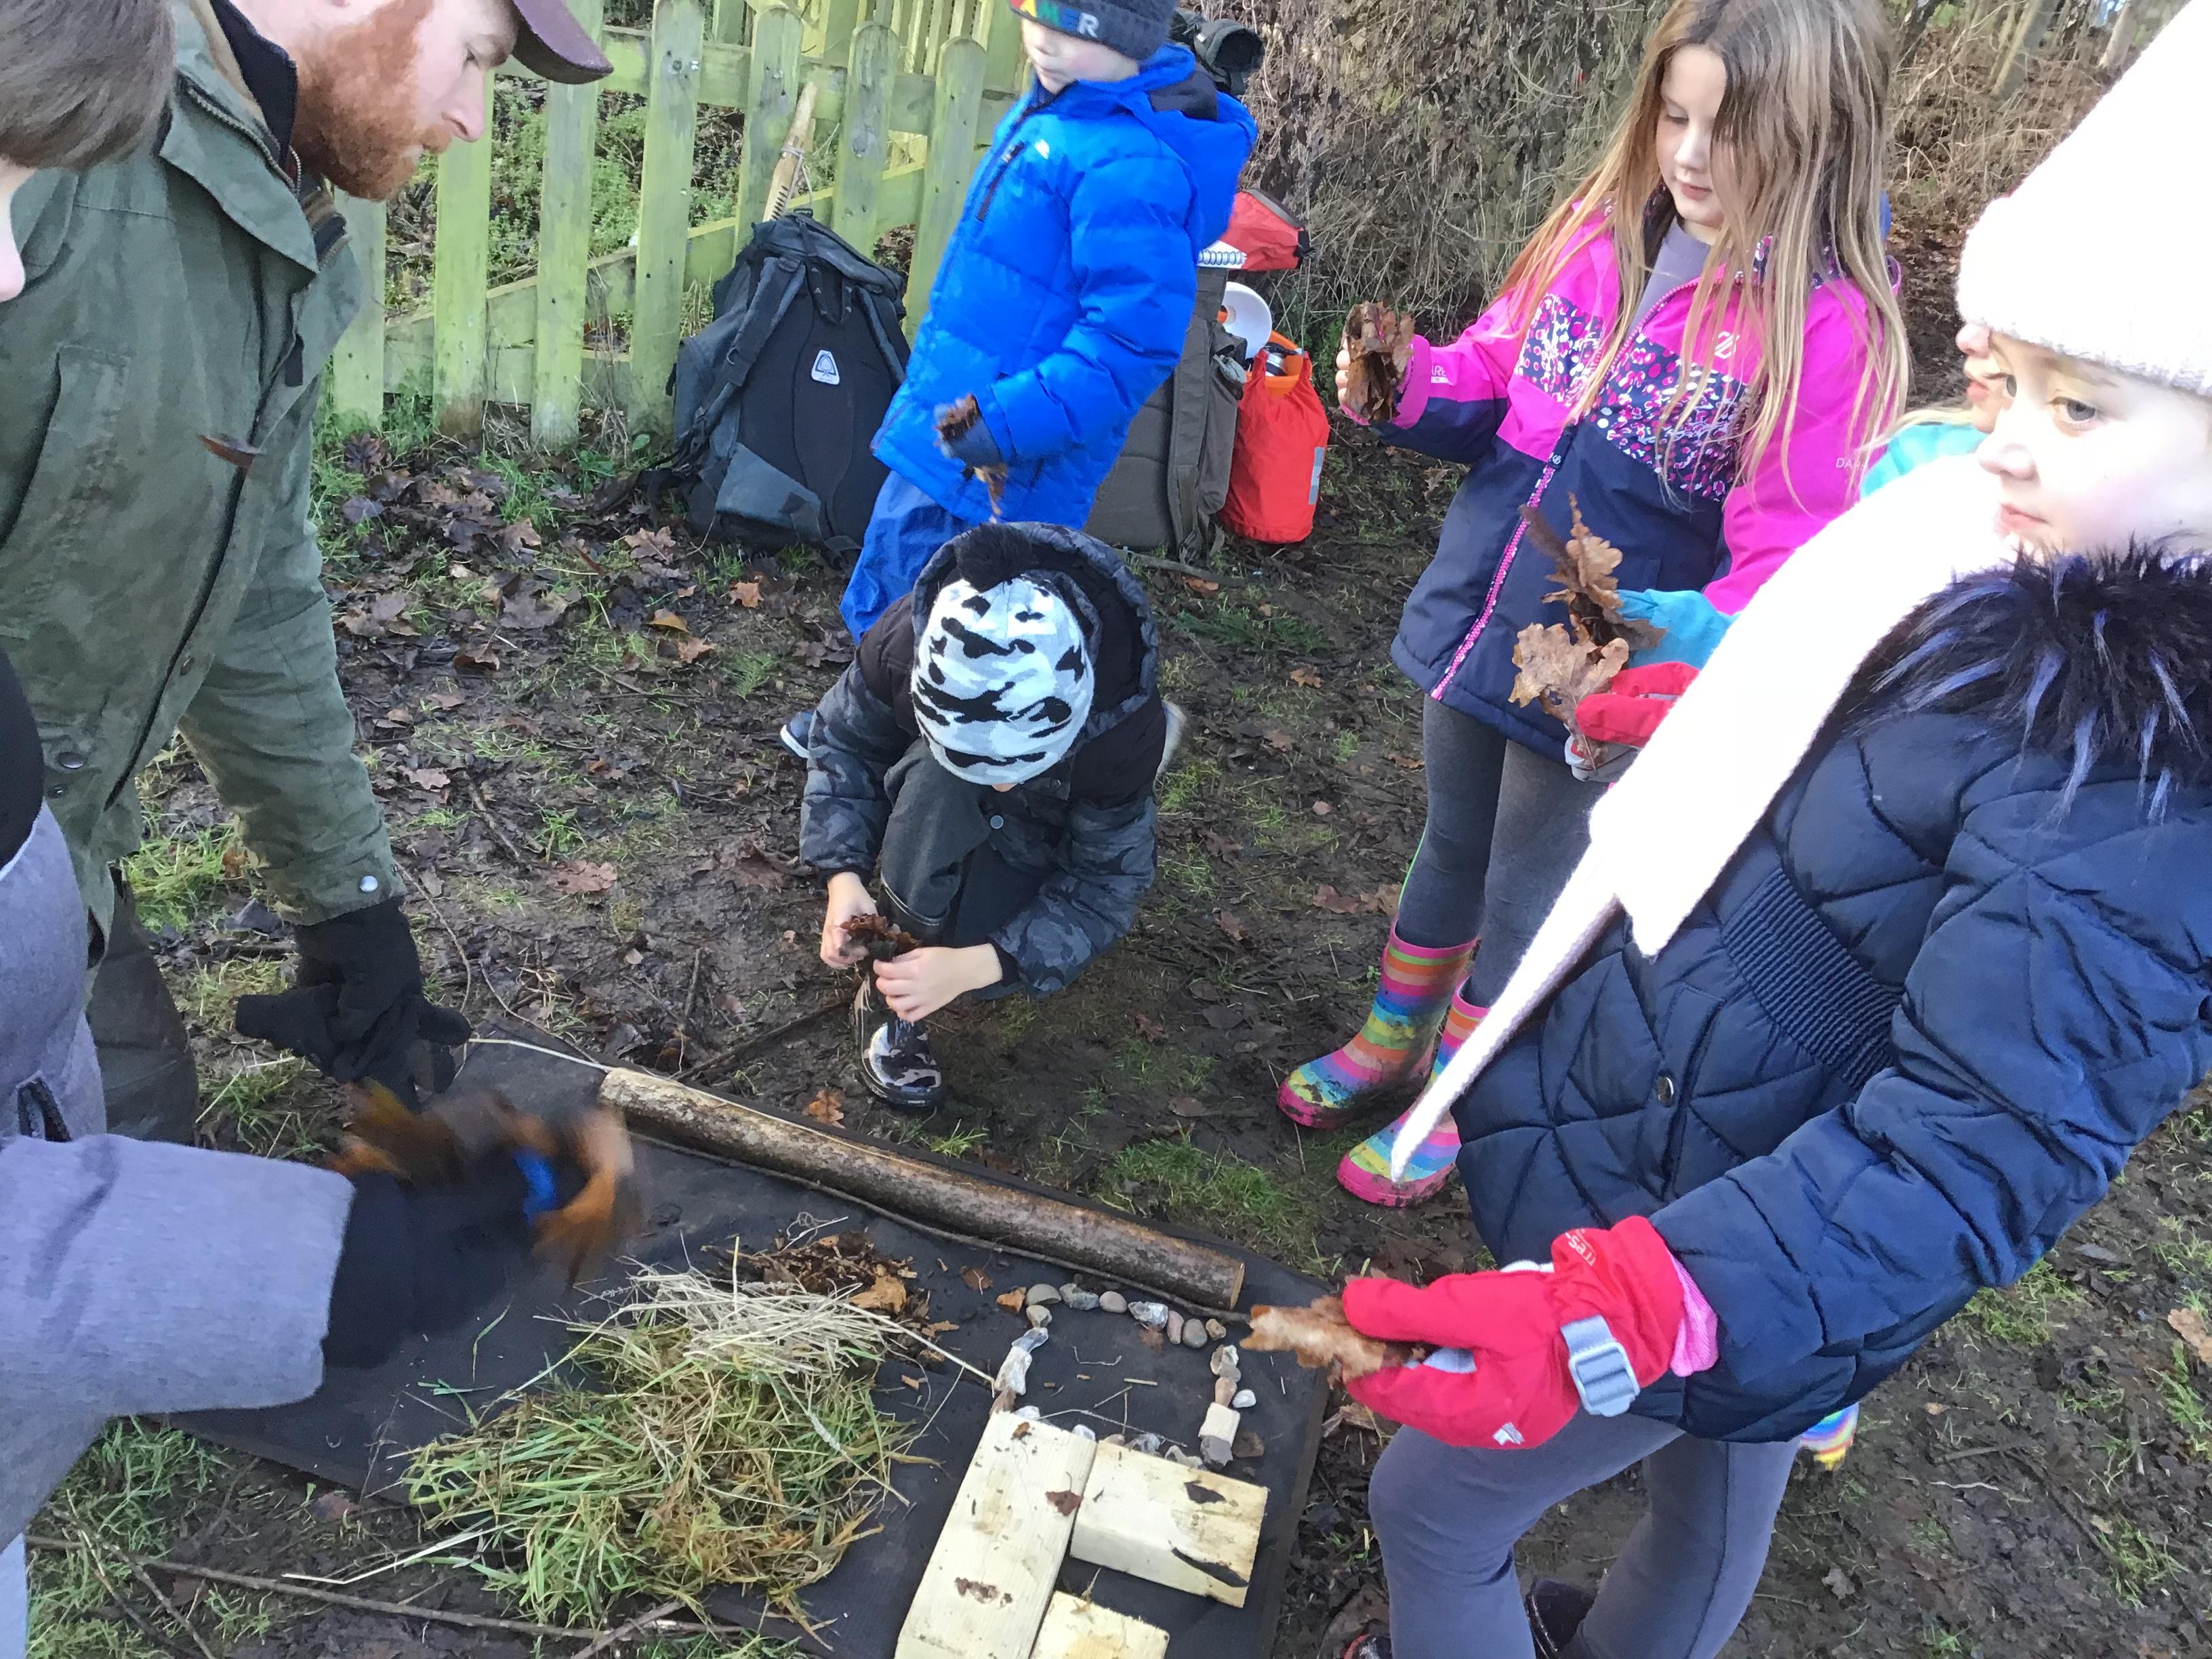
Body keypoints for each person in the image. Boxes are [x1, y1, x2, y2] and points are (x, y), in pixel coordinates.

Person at [1314, 6, 2212, 1654]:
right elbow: (1882, 807)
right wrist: (1723, 716)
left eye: (2082, 409)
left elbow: (1981, 1137)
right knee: (1715, 1494)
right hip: (1731, 1144)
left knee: (1431, 1508)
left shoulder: (2141, 788)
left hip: (1747, 1214)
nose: (2009, 438)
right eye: (2008, 384)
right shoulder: (2003, 576)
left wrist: (1654, 1297)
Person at [1284, 0, 1910, 1208]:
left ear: (1820, 136)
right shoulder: (1599, 229)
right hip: (1483, 607)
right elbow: (1492, 371)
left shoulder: (1823, 327)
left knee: (1527, 883)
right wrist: (1408, 386)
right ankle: (1393, 1034)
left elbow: (1782, 559)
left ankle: (1459, 1091)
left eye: (1730, 130)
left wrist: (1662, 663)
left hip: (1601, 663)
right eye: (1673, 117)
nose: (1689, 156)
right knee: (1450, 836)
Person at [0, 0, 609, 1142]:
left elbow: (258, 590)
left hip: (54, 842)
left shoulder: (288, 224)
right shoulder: (55, 122)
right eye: (474, 58)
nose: (473, 118)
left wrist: (346, 904)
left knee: (140, 1125)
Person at [777, 0, 1254, 760]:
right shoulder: (1056, 111)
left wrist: (1006, 421)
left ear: (1132, 43)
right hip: (955, 420)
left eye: (1074, 34)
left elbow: (1129, 343)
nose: (1046, 45)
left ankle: (1062, 742)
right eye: (1037, 20)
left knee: (971, 620)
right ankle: (876, 725)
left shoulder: (1135, 166)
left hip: (1012, 453)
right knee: (895, 577)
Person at [801, 521, 1164, 1111]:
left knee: (981, 933)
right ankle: (892, 981)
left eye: (1020, 764)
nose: (1001, 784)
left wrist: (982, 964)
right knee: (938, 784)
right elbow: (844, 744)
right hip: (930, 792)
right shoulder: (904, 644)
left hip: (1045, 826)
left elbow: (1106, 882)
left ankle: (959, 944)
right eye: (978, 762)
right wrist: (842, 877)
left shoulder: (1119, 734)